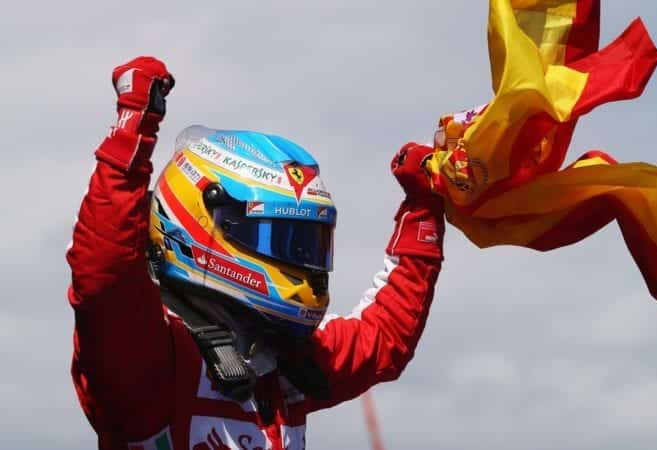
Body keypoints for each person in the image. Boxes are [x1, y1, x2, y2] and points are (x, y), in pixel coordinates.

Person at [66, 56, 445, 450]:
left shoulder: (281, 363)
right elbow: (102, 273)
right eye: (278, 240)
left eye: (307, 242)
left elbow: (383, 338)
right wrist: (132, 131)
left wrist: (425, 208)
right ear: (206, 223)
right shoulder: (153, 360)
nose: (301, 261)